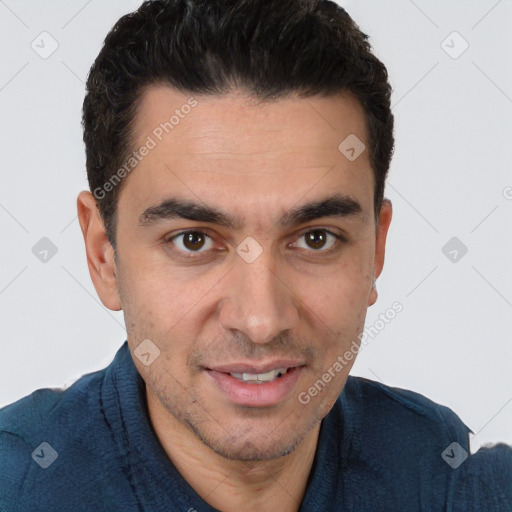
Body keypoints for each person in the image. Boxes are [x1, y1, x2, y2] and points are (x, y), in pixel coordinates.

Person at [1, 0, 511, 510]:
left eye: (316, 238)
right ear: (104, 256)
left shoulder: (458, 484)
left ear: (376, 249)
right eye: (193, 240)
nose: (261, 320)